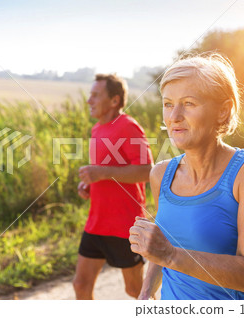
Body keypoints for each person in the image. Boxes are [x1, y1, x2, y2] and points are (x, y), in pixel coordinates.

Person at [129, 53, 244, 300]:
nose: (174, 116)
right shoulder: (161, 174)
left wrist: (171, 255)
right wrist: (146, 292)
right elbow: (162, 247)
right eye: (168, 104)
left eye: (188, 103)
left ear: (223, 111)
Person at [73, 74, 154, 299]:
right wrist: (89, 183)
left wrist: (103, 173)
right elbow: (104, 172)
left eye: (96, 95)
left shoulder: (129, 127)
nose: (89, 100)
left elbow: (147, 171)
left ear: (115, 101)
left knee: (136, 291)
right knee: (81, 284)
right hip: (97, 222)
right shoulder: (97, 129)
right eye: (90, 95)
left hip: (124, 225)